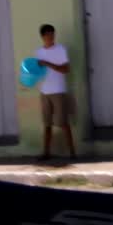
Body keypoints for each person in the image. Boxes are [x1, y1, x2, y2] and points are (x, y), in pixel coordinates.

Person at [35, 24, 76, 160]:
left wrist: (48, 64)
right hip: (44, 91)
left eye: (52, 34)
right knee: (47, 124)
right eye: (48, 35)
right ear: (42, 37)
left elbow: (65, 69)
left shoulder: (60, 50)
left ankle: (72, 153)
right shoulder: (39, 52)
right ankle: (46, 153)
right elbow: (37, 72)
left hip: (58, 90)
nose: (51, 37)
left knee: (63, 122)